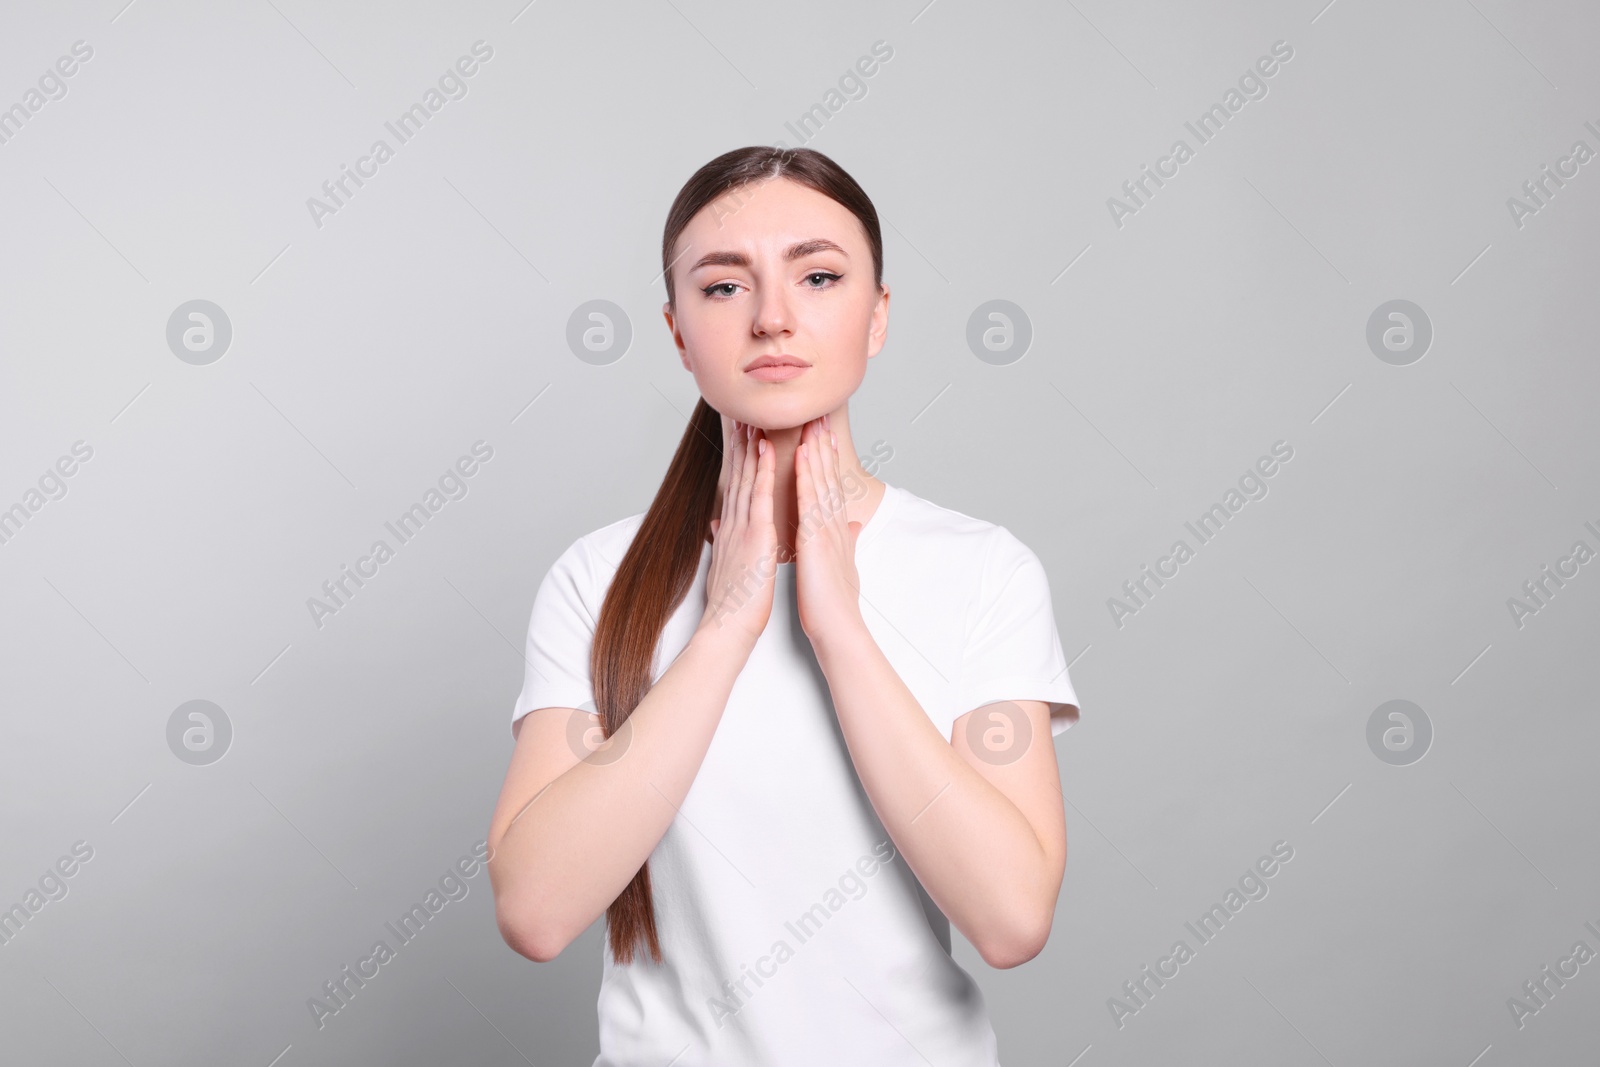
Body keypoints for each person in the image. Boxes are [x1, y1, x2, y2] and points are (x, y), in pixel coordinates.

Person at [486, 145, 1081, 1066]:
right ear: (679, 332)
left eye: (819, 276)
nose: (772, 318)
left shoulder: (983, 571)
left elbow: (1011, 918)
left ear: (878, 318)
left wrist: (838, 629)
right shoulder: (597, 577)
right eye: (724, 288)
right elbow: (535, 909)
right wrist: (724, 628)